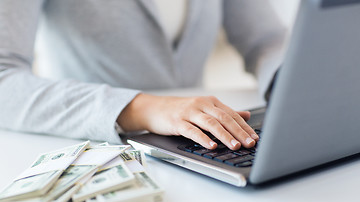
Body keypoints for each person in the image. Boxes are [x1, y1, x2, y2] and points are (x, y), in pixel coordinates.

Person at [0, 0, 286, 151]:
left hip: (198, 147)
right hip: (92, 151)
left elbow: (265, 38)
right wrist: (143, 107)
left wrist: (290, 83)